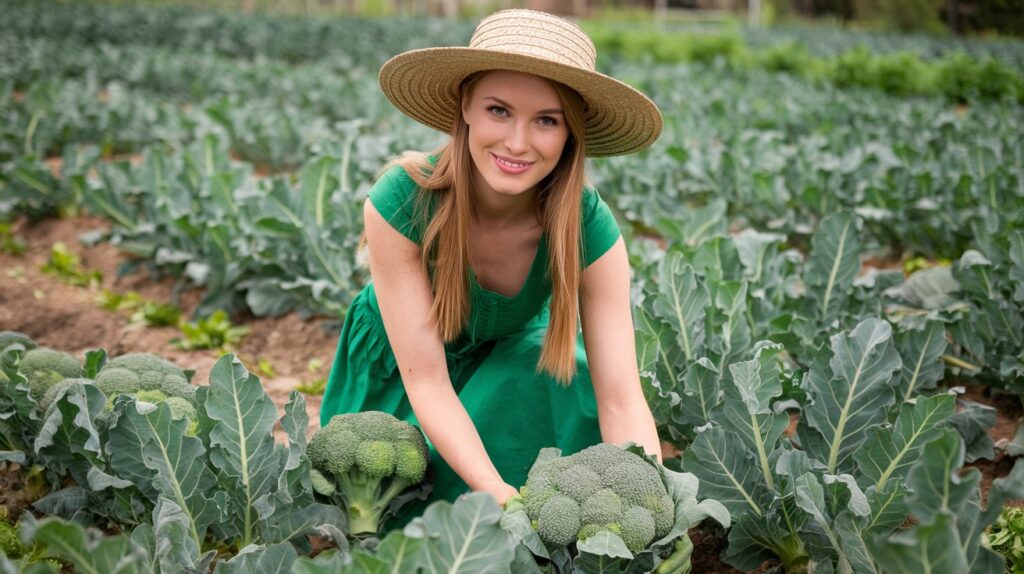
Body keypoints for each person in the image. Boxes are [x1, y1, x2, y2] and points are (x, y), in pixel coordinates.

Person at [320, 9, 663, 510]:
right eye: (498, 110)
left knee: (580, 395)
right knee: (404, 515)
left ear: (572, 133)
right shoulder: (401, 200)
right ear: (464, 106)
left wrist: (652, 502)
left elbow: (621, 398)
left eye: (546, 120)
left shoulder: (588, 227)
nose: (517, 143)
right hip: (407, 375)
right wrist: (501, 496)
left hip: (509, 366)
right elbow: (430, 383)